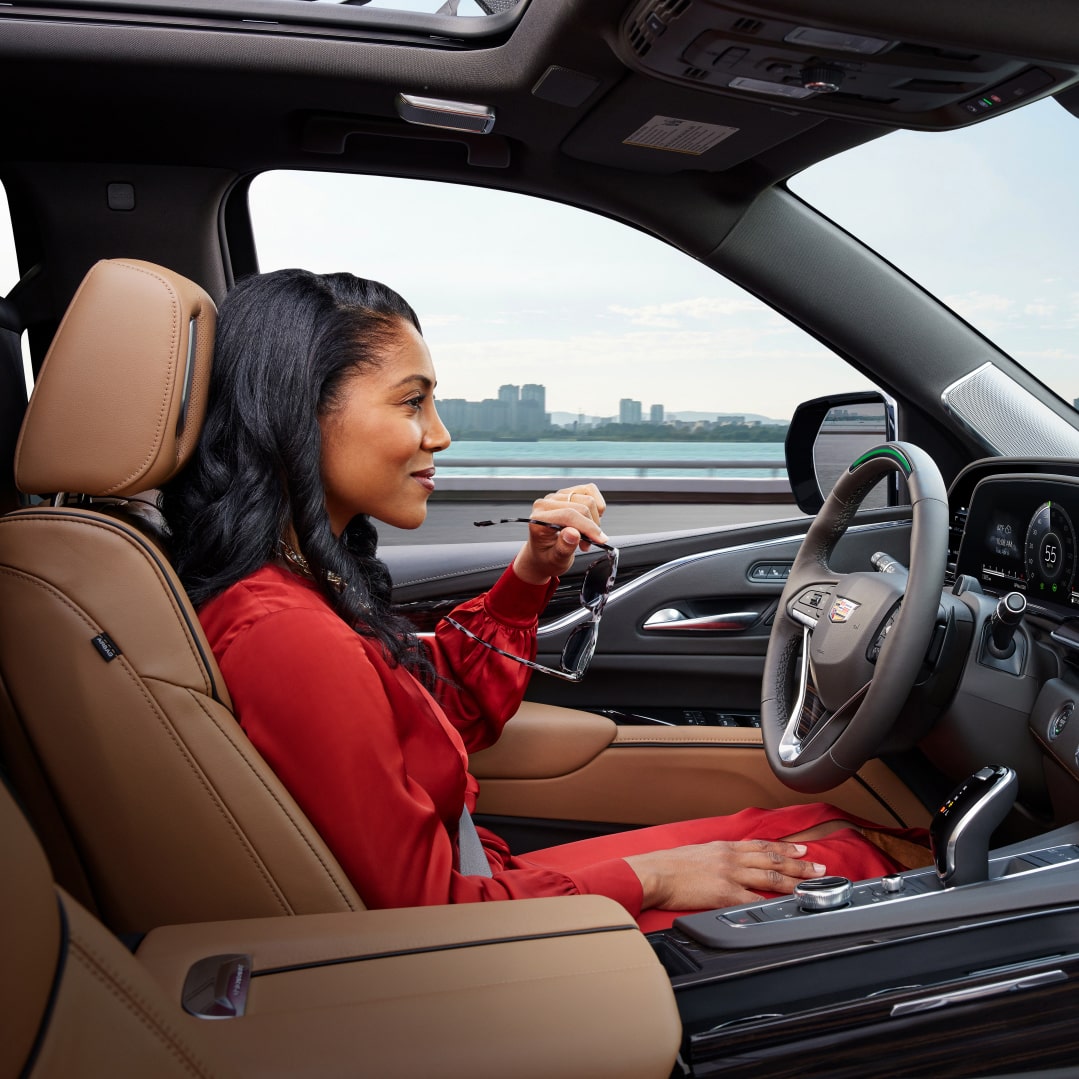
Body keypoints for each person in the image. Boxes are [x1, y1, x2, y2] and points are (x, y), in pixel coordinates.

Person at [163, 268, 930, 933]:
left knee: (797, 828)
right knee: (839, 860)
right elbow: (425, 915)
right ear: (301, 413)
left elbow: (441, 718)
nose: (441, 435)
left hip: (474, 884)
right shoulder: (287, 635)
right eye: (412, 402)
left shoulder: (300, 585)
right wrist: (656, 876)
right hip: (473, 935)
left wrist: (533, 570)